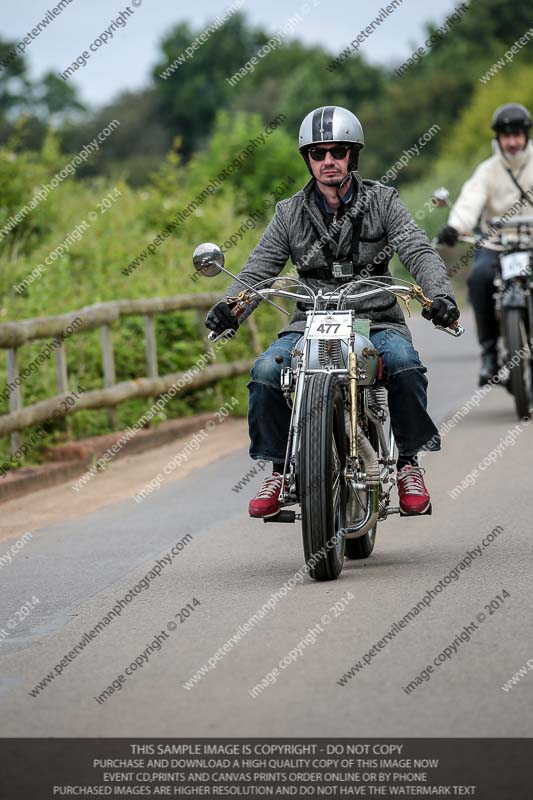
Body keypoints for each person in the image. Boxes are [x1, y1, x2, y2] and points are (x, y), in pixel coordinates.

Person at [206, 105, 459, 519]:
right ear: (307, 158)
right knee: (267, 372)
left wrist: (439, 297)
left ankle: (409, 464)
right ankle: (281, 469)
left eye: (337, 152)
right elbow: (260, 268)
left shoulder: (384, 201)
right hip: (311, 321)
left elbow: (417, 249)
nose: (328, 161)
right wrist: (232, 306)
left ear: (352, 155)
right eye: (318, 153)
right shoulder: (289, 213)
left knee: (404, 365)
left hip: (375, 318)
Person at [437, 103, 533, 386]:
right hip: (496, 245)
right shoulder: (487, 170)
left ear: (526, 135)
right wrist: (455, 226)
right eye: (506, 135)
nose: (513, 141)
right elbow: (470, 201)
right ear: (498, 138)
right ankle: (489, 353)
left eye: (517, 134)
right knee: (479, 279)